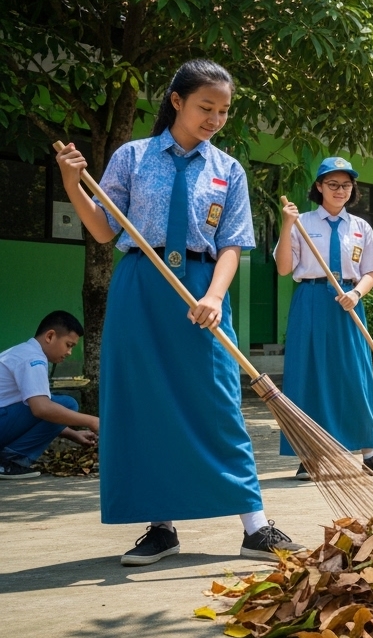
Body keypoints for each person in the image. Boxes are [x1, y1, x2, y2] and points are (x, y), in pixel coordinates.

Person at [55, 59, 301, 565]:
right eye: (205, 107)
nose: (214, 119)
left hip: (201, 287)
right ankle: (160, 527)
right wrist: (71, 184)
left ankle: (254, 527)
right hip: (141, 285)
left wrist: (213, 295)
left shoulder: (226, 169)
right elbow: (104, 231)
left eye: (224, 111)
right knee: (143, 404)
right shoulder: (133, 156)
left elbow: (233, 244)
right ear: (176, 102)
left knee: (218, 401)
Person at [274, 158, 373, 480]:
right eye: (333, 184)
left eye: (346, 185)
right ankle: (309, 455)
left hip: (348, 302)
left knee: (354, 374)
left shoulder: (360, 228)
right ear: (319, 187)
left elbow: (371, 270)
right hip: (311, 301)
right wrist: (286, 226)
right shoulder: (302, 222)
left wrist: (356, 294)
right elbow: (285, 268)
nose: (340, 190)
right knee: (307, 373)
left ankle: (369, 454)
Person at [0, 312, 99, 479]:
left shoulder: (23, 352)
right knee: (67, 404)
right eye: (68, 345)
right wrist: (92, 421)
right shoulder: (33, 359)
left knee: (57, 404)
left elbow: (33, 413)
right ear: (50, 336)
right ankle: (9, 462)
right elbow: (42, 409)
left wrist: (73, 434)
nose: (69, 352)